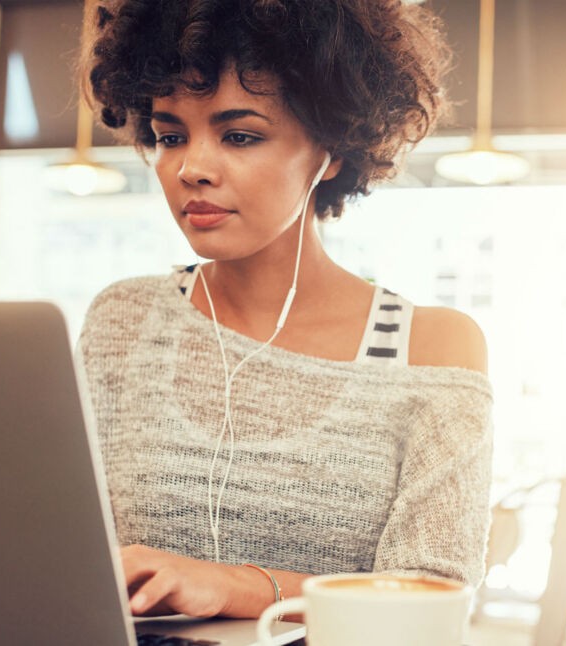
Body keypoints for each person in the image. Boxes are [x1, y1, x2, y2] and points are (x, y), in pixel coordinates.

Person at [76, 0, 493, 621]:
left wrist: (232, 586)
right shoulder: (125, 321)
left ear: (333, 150)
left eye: (239, 135)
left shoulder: (428, 348)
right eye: (170, 136)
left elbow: (432, 600)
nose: (191, 168)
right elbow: (68, 555)